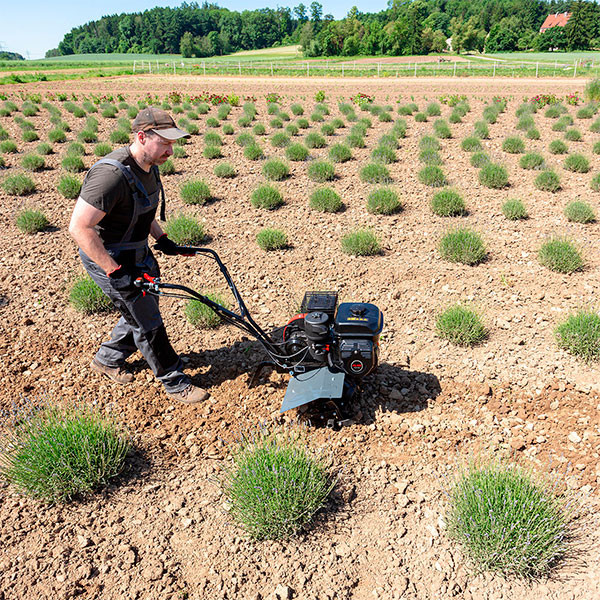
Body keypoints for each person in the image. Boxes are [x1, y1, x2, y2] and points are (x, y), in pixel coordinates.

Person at [68, 107, 209, 404]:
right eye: (165, 143)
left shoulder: (149, 165)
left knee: (141, 311)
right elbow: (80, 228)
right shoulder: (110, 175)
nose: (171, 150)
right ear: (142, 137)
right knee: (147, 321)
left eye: (173, 143)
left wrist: (163, 238)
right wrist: (114, 272)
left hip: (138, 251)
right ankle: (174, 380)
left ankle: (107, 358)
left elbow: (142, 208)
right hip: (109, 256)